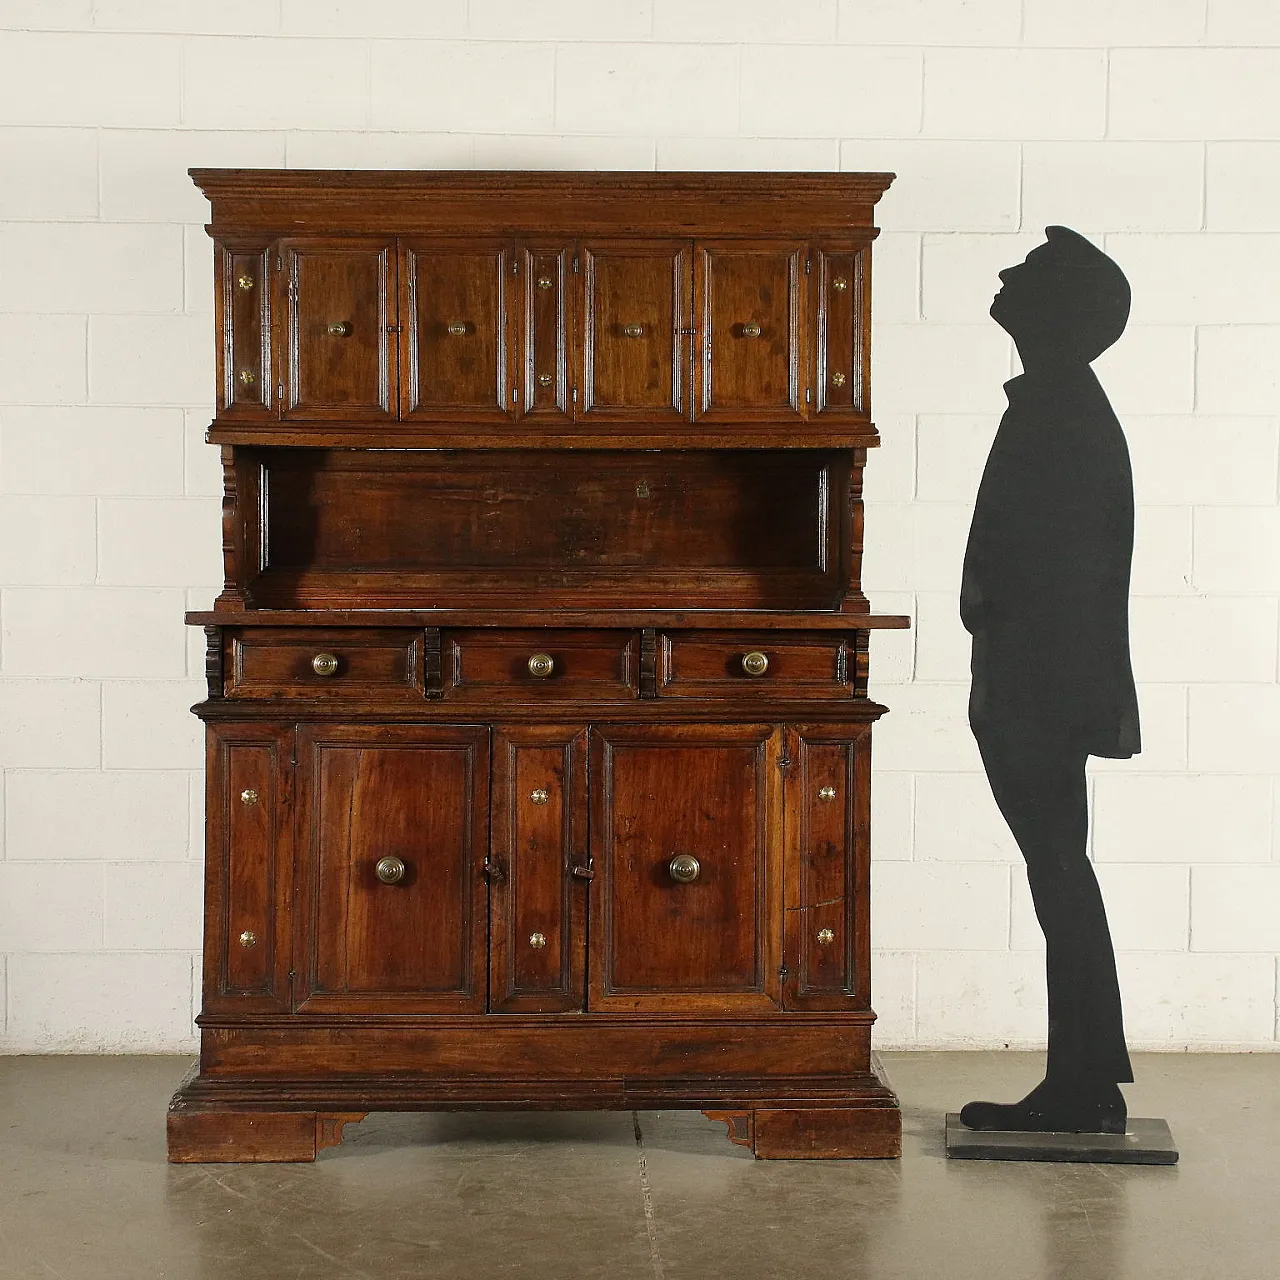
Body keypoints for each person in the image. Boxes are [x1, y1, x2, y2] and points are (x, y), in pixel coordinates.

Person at [958, 226, 1139, 1134]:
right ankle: (1085, 1080)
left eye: (1026, 273)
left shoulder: (1060, 412)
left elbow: (1061, 578)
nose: (1003, 274)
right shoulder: (1058, 404)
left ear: (1057, 311)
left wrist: (1014, 686)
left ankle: (1084, 1086)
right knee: (1061, 871)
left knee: (1060, 871)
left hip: (1039, 687)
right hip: (1035, 682)